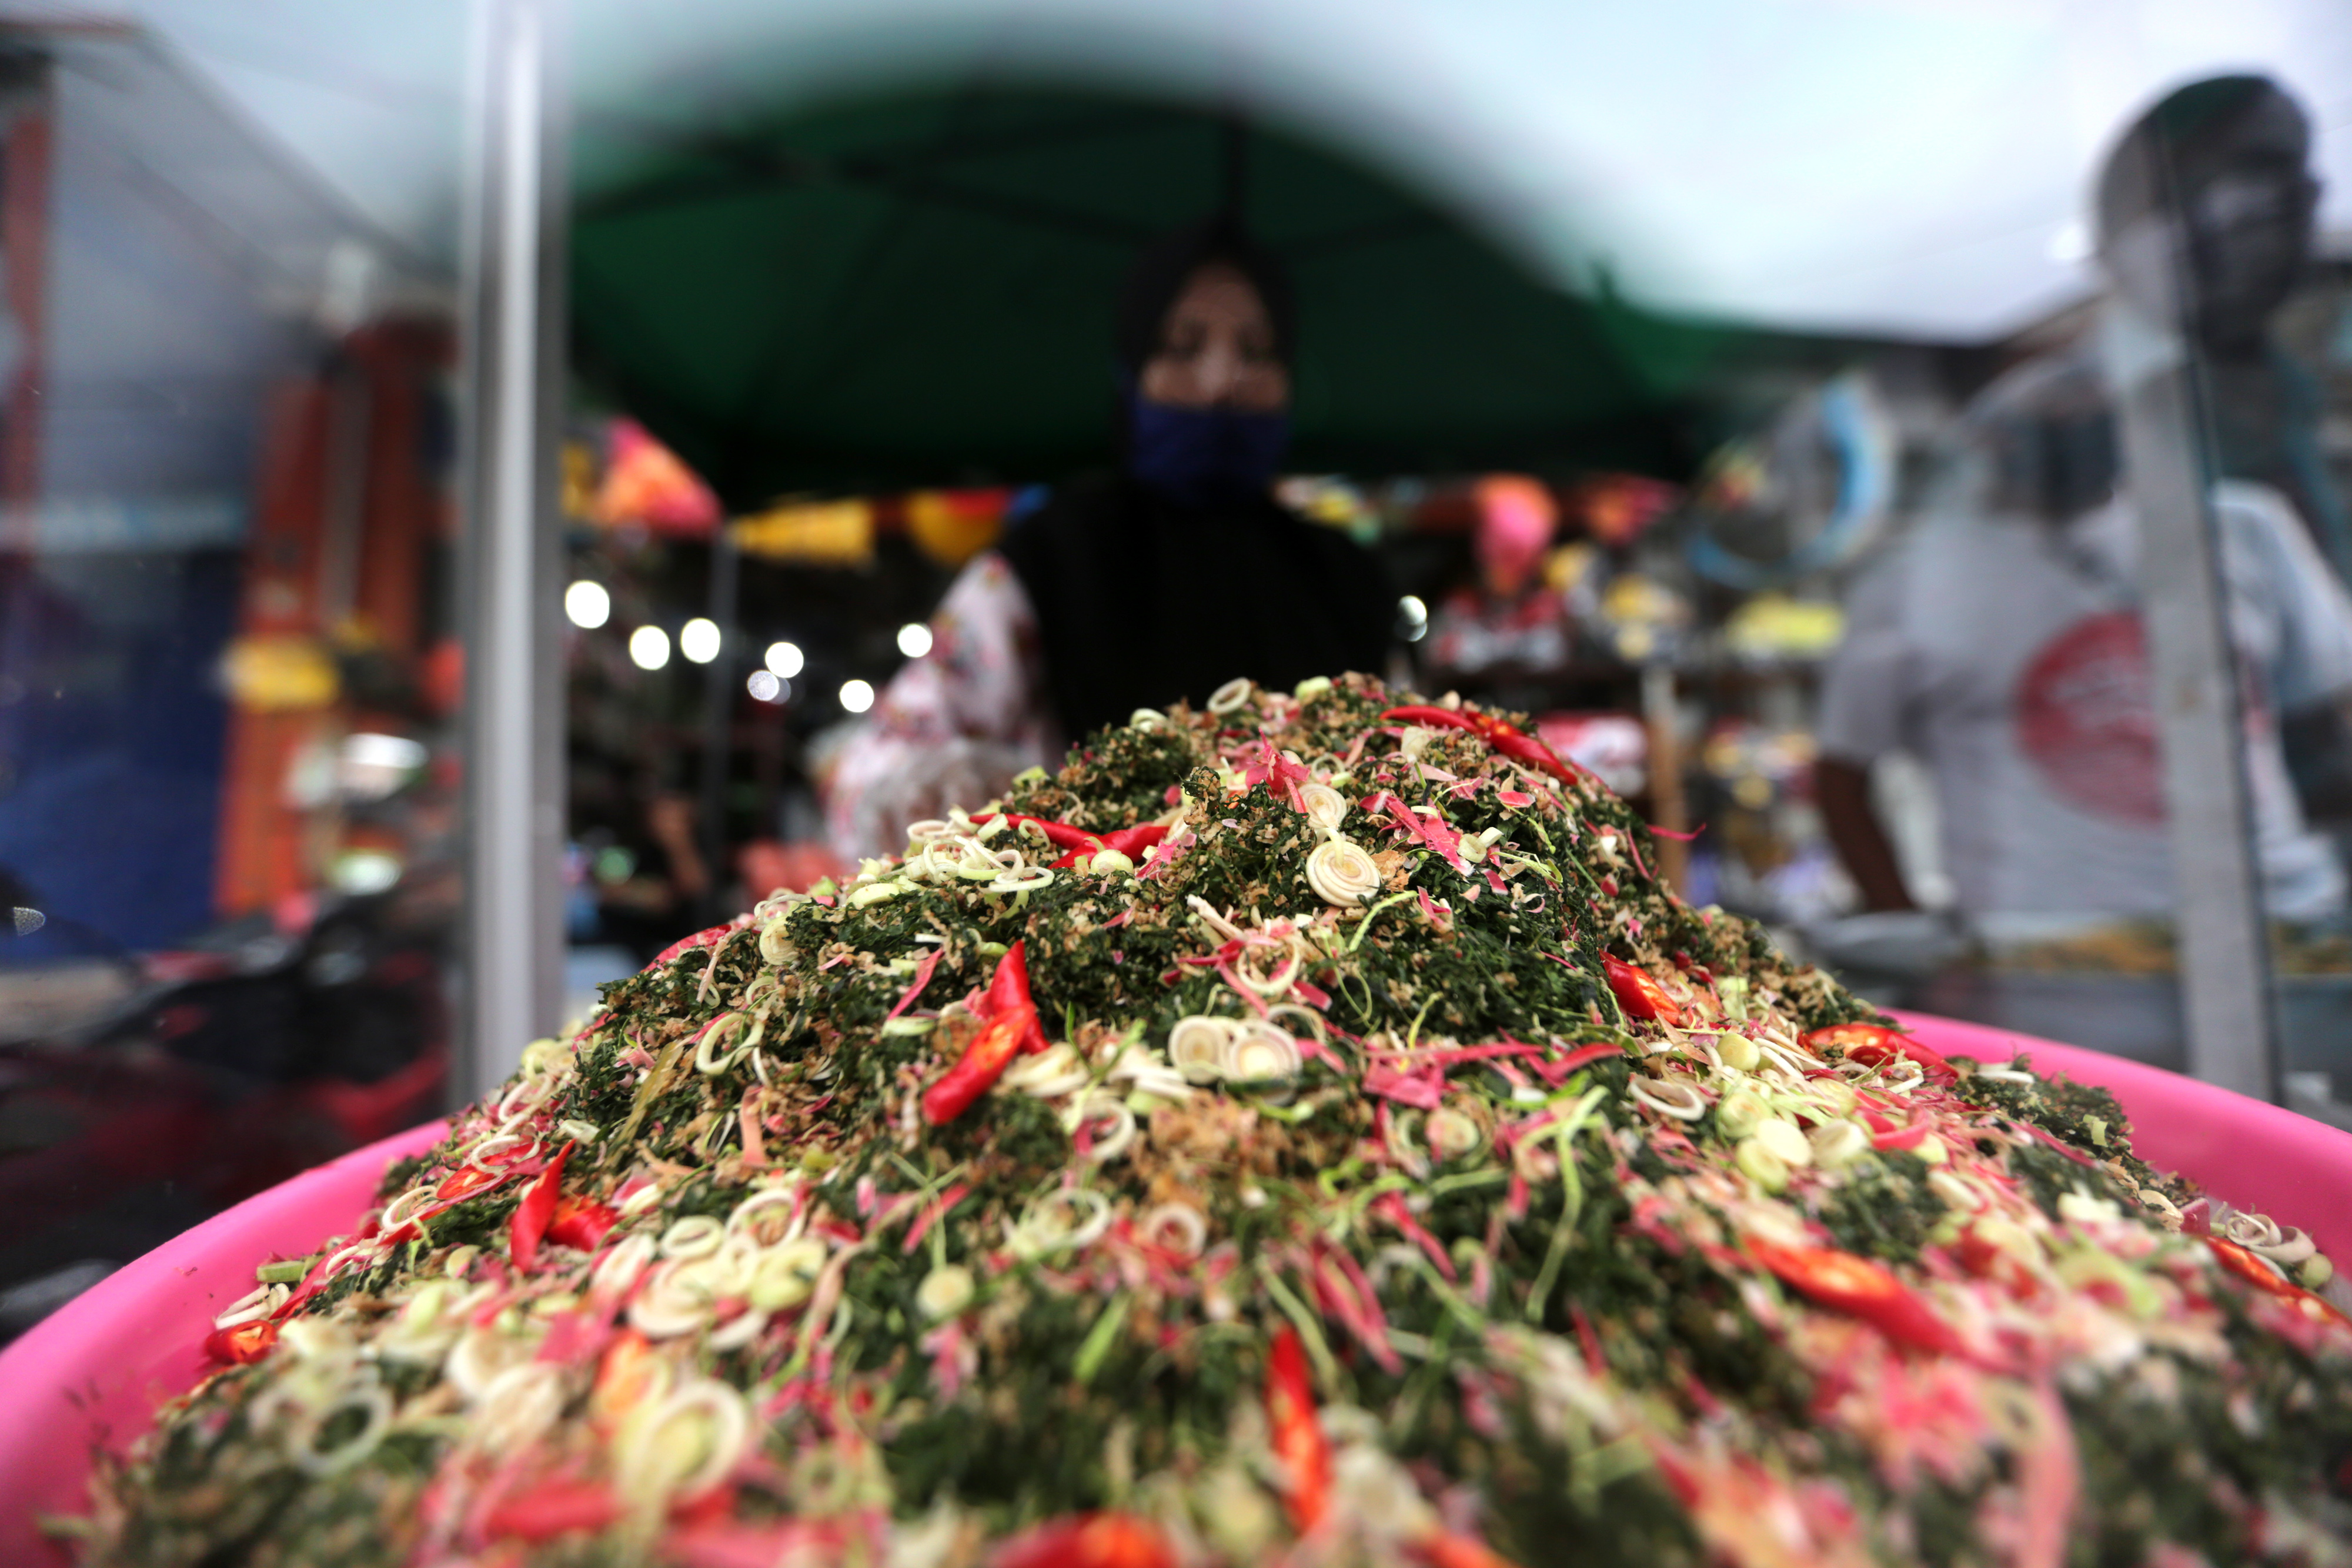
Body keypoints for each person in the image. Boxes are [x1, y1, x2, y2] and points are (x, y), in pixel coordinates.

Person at [825, 219, 1396, 860]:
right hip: (1089, 929)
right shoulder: (1053, 556)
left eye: (1257, 350)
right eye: (1182, 346)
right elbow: (870, 768)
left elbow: (1407, 753)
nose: (1220, 381)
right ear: (1131, 368)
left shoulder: (1345, 575)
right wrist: (922, 786)